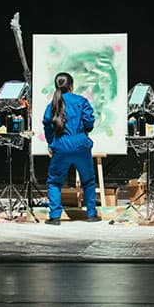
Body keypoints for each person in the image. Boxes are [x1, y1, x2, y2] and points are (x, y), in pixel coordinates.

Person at [42, 72, 100, 226]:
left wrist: (50, 143)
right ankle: (91, 214)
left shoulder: (53, 104)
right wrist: (84, 131)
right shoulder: (81, 101)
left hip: (61, 144)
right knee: (88, 181)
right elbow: (89, 122)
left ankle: (55, 217)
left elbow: (47, 124)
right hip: (81, 144)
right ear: (71, 86)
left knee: (54, 182)